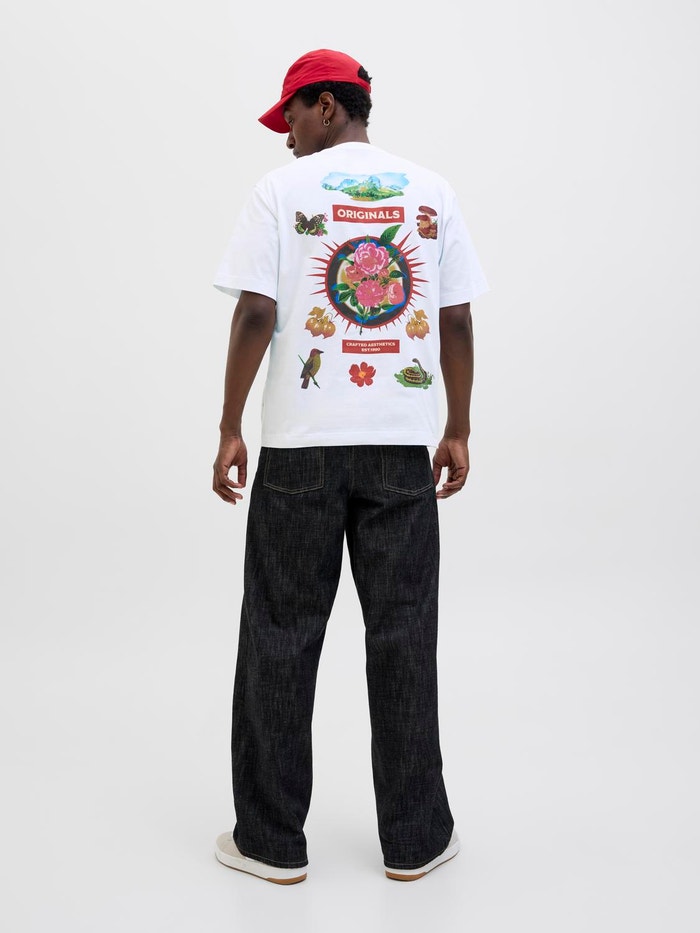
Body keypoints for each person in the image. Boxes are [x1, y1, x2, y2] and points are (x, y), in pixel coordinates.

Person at [211, 48, 488, 885]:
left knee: (279, 634)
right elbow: (457, 320)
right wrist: (458, 427)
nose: (287, 134)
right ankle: (416, 840)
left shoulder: (280, 192)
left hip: (300, 449)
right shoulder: (431, 191)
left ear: (327, 105)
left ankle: (269, 842)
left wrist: (229, 424)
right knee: (404, 635)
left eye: (292, 114)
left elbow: (257, 312)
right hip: (401, 446)